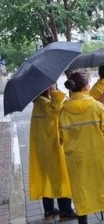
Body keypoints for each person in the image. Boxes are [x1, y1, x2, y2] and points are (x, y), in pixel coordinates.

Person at [59, 72, 104, 224]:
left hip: (77, 159)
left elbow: (61, 135)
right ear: (86, 86)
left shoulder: (64, 110)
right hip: (99, 155)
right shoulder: (96, 106)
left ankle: (83, 221)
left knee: (81, 190)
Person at [29, 85, 77, 221]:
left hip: (43, 148)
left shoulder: (38, 103)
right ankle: (65, 211)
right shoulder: (44, 103)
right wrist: (55, 90)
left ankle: (49, 210)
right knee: (61, 178)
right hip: (52, 148)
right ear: (46, 88)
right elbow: (56, 109)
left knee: (47, 178)